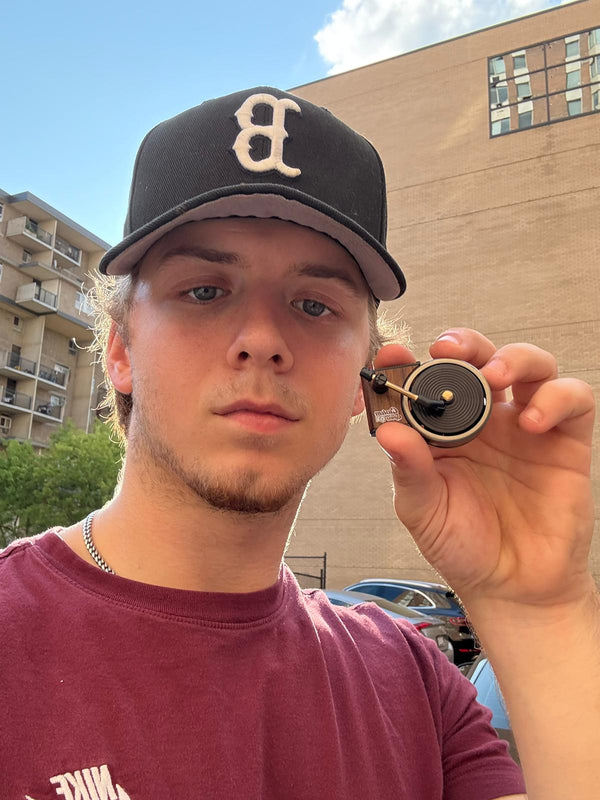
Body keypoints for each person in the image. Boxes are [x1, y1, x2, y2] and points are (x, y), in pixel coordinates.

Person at [0, 86, 597, 800]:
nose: (261, 340)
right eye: (204, 292)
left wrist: (540, 607)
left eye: (314, 305)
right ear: (121, 351)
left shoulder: (413, 686)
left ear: (364, 381)